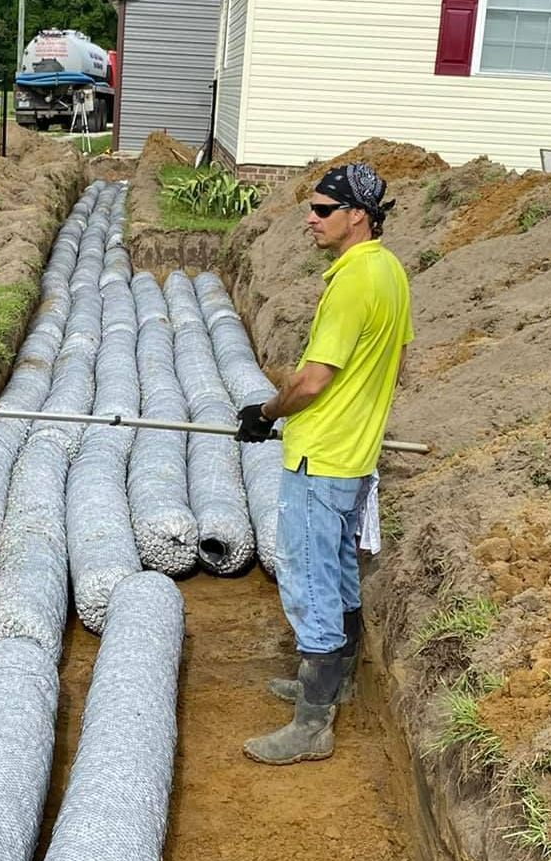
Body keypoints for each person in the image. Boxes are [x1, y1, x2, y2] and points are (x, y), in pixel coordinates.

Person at [235, 161, 413, 765]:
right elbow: (399, 361)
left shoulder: (351, 281)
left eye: (321, 211)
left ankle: (312, 727)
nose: (309, 220)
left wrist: (266, 412)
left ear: (356, 215)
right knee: (338, 570)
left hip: (322, 455)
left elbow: (311, 381)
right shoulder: (389, 271)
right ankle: (337, 682)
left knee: (309, 581)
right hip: (355, 455)